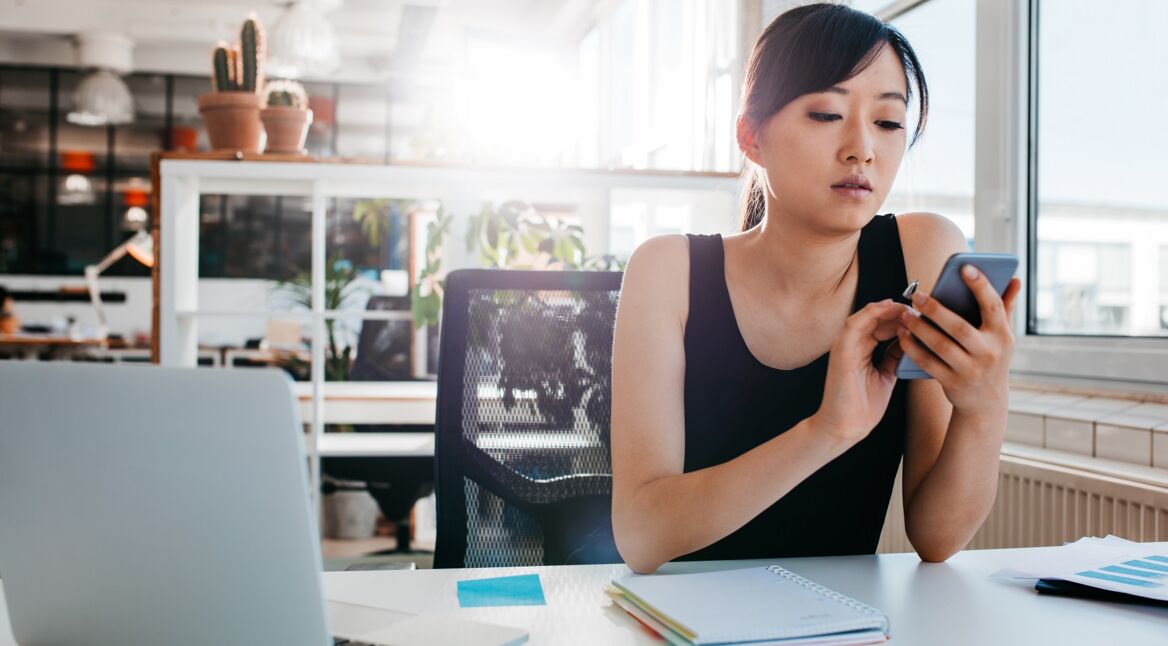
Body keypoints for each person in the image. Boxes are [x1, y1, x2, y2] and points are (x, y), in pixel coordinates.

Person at [611, 3, 1021, 574]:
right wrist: (827, 431)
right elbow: (641, 535)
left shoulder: (922, 252)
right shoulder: (668, 271)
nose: (862, 148)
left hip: (845, 624)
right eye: (827, 114)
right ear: (751, 137)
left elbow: (937, 536)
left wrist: (984, 405)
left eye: (887, 122)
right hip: (680, 622)